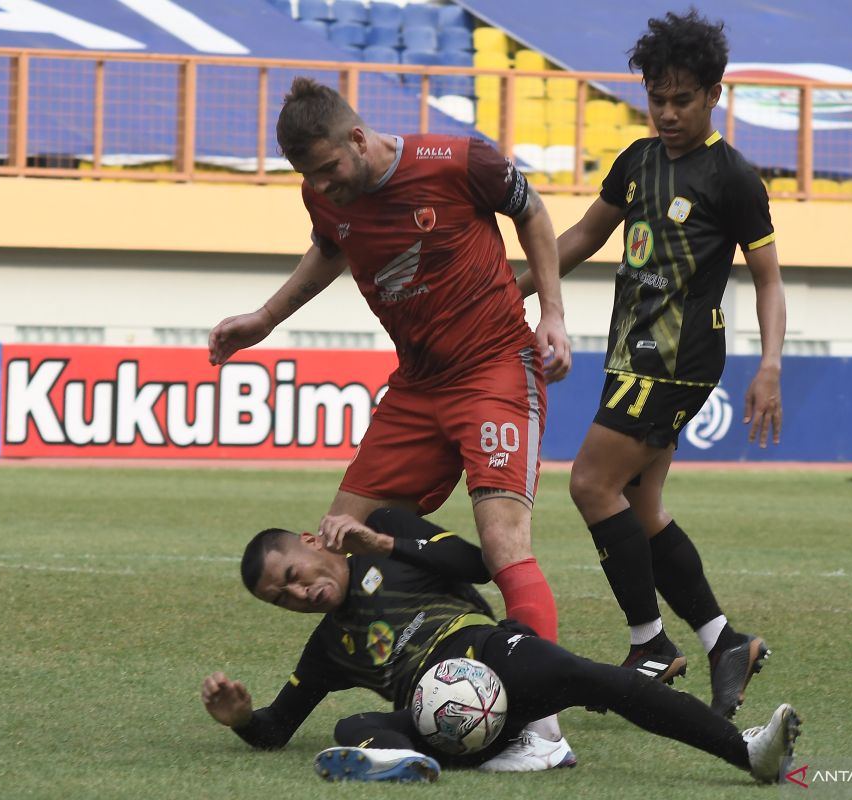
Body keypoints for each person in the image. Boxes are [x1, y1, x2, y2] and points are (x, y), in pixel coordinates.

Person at [207, 76, 574, 768]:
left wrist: (551, 311)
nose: (324, 184)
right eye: (309, 176)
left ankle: (540, 726)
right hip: (417, 387)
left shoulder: (460, 160)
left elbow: (534, 215)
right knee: (336, 540)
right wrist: (263, 319)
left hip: (495, 367)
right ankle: (450, 666)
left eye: (328, 168)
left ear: (357, 136)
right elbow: (329, 245)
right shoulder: (323, 190)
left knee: (504, 543)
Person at [517, 10, 787, 718]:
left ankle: (649, 643)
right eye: (656, 98)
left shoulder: (733, 178)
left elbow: (767, 280)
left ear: (713, 95)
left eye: (682, 99)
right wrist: (510, 292)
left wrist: (771, 366)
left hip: (677, 361)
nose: (667, 113)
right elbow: (580, 235)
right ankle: (725, 640)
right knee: (641, 506)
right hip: (628, 353)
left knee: (588, 483)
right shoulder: (636, 161)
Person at [200, 509, 801, 784]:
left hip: (489, 653)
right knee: (353, 724)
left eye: (295, 574)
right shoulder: (326, 650)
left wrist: (381, 542)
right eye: (282, 599)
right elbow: (277, 726)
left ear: (311, 541)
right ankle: (453, 756)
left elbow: (478, 564)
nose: (299, 593)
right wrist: (242, 719)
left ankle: (747, 752)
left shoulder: (389, 532)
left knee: (596, 678)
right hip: (432, 712)